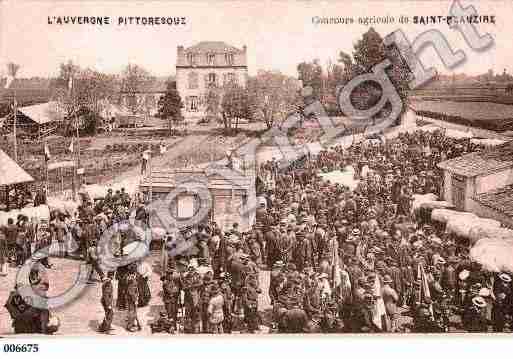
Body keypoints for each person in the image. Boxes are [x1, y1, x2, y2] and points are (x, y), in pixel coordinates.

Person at [126, 264, 142, 332]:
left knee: (133, 311)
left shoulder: (131, 277)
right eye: (135, 269)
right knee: (132, 312)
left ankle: (132, 323)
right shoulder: (131, 279)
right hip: (132, 297)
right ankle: (130, 326)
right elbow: (131, 291)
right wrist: (135, 299)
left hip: (132, 297)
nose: (136, 270)